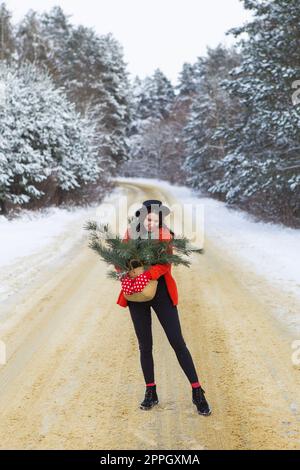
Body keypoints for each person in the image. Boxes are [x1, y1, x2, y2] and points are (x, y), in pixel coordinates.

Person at [115, 199, 211, 416]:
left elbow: (165, 263)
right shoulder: (130, 234)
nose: (151, 223)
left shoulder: (166, 235)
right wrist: (127, 271)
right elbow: (119, 259)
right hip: (136, 294)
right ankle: (151, 392)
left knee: (177, 341)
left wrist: (147, 274)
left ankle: (198, 392)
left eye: (156, 219)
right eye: (149, 218)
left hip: (161, 292)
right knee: (144, 345)